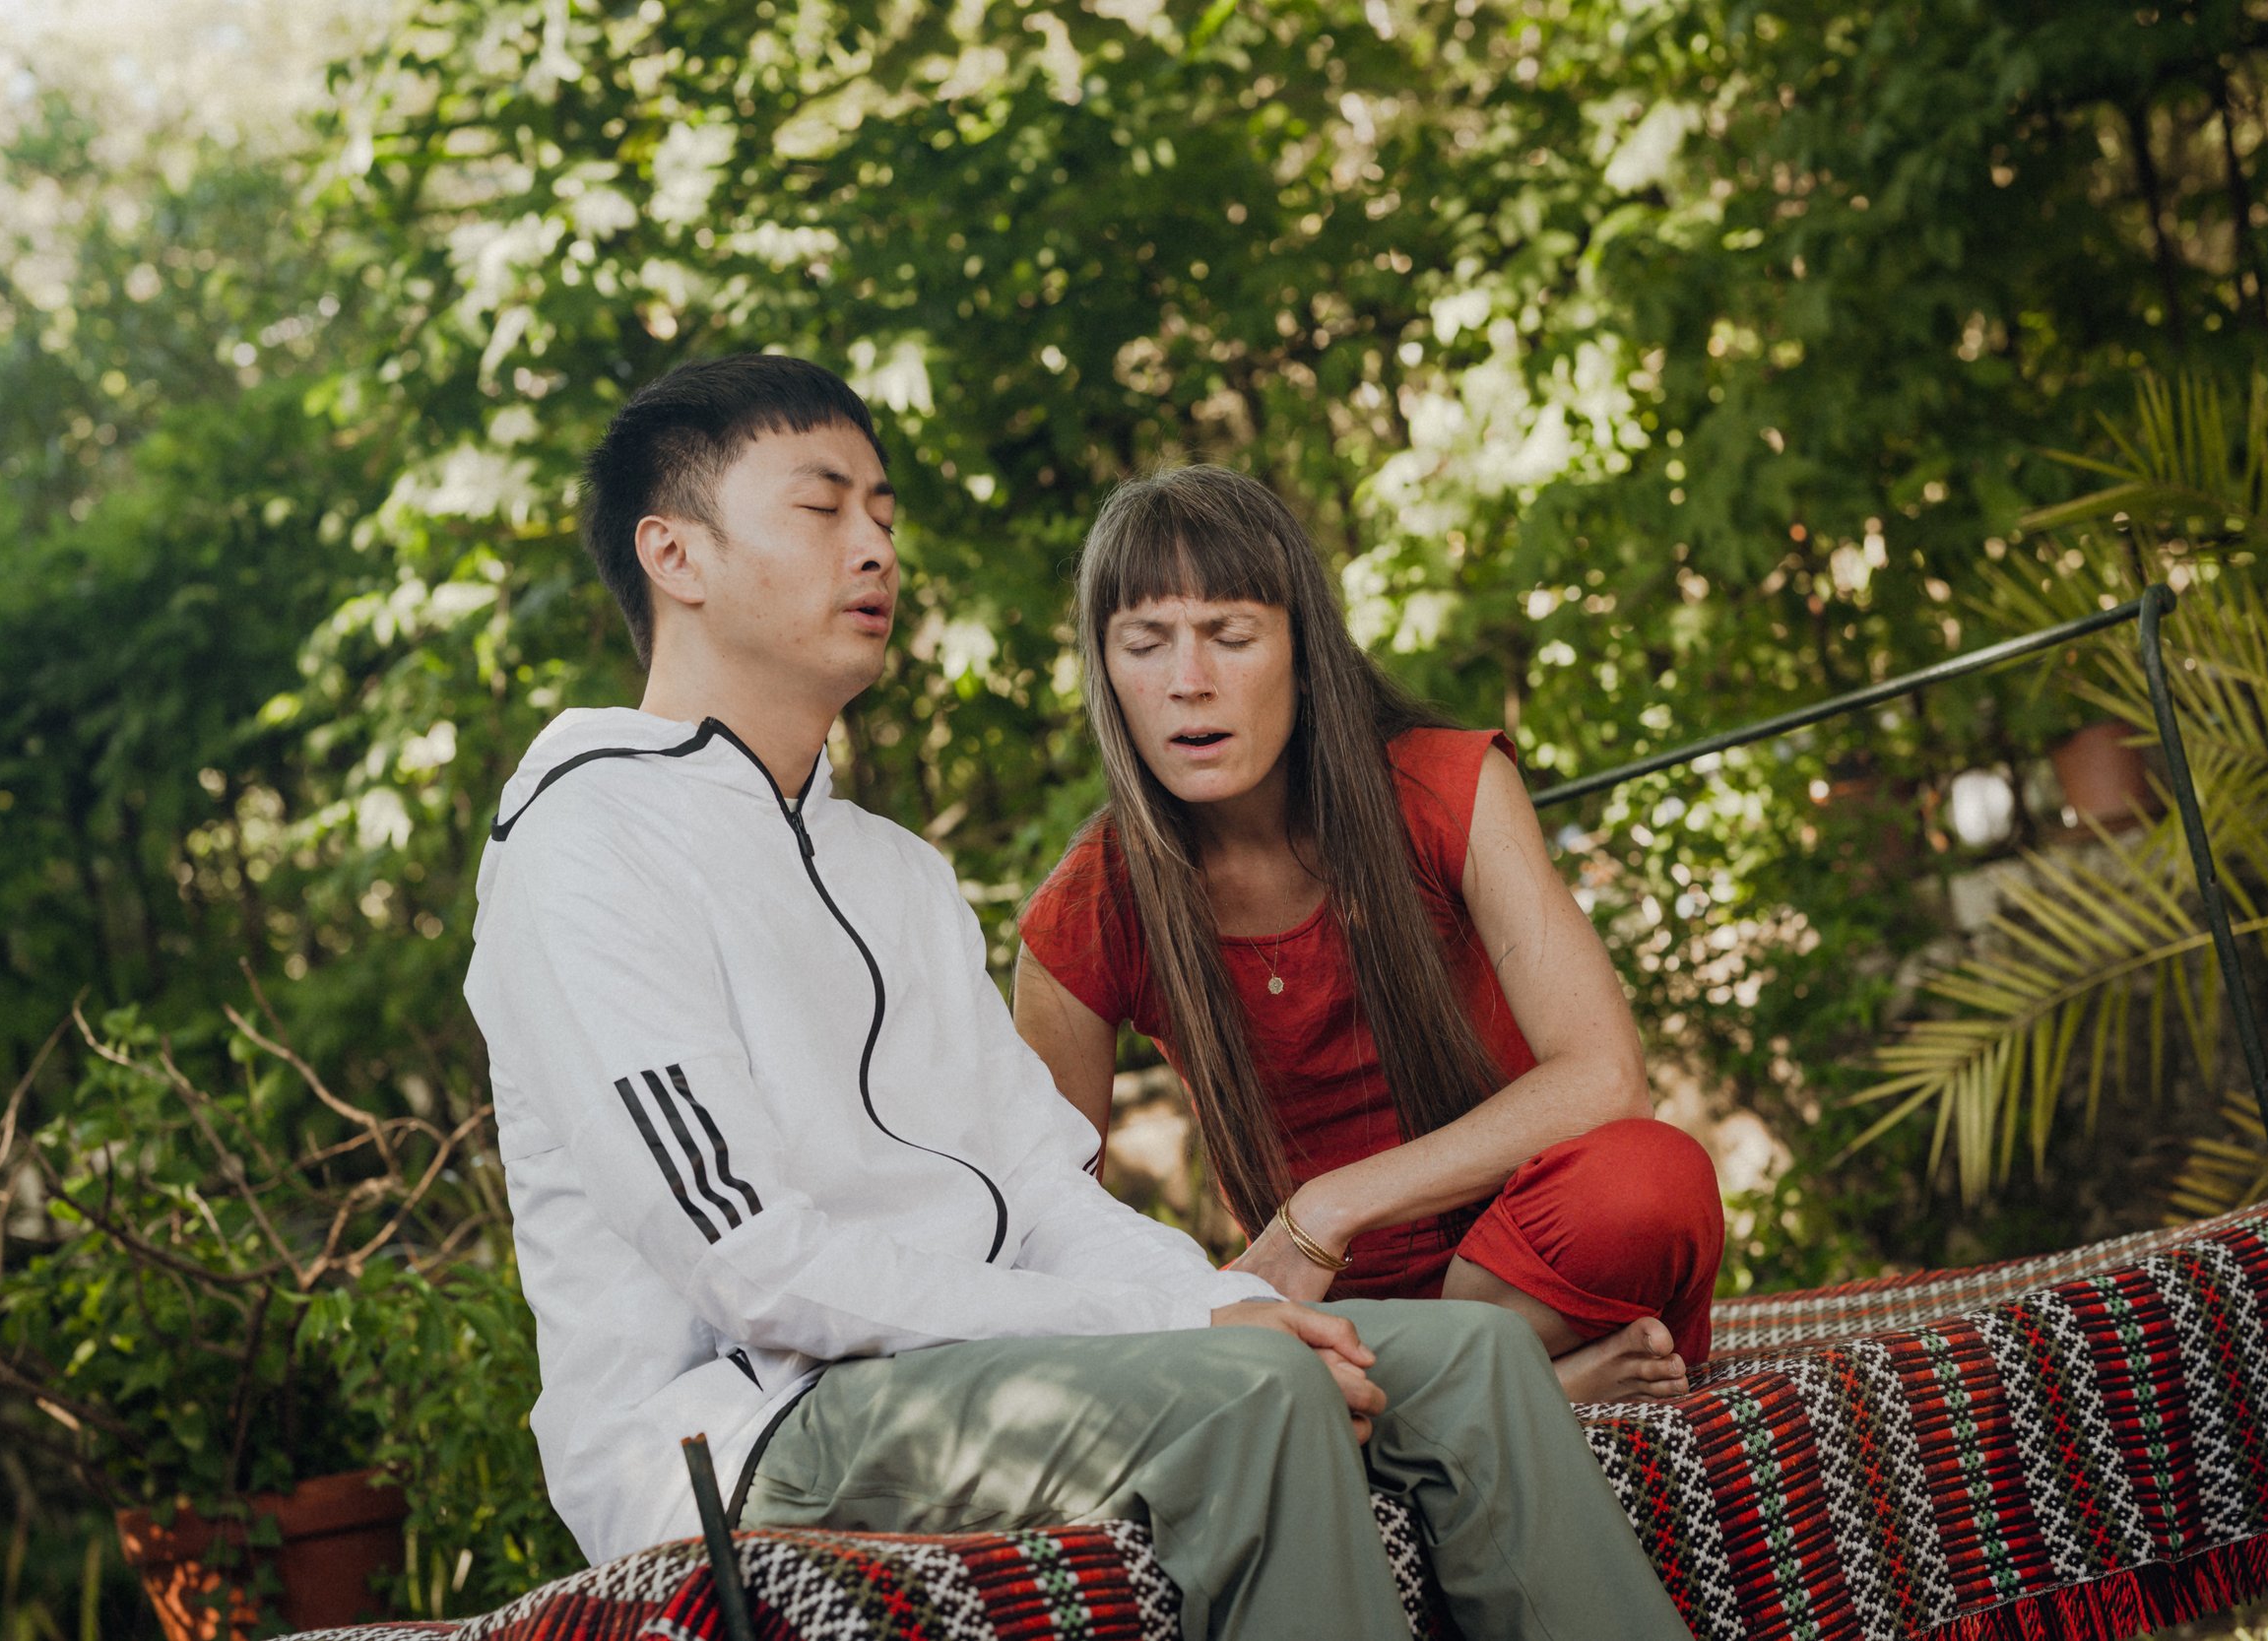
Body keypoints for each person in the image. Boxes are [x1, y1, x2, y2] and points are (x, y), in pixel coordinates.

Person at [463, 354, 1696, 1641]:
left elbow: (1042, 1189)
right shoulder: (585, 842)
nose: (874, 547)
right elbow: (748, 1263)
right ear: (674, 555)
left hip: (971, 1362)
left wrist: (1224, 1301)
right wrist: (1179, 1326)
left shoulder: (895, 872)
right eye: (822, 507)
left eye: (883, 512)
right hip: (742, 1426)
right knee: (1254, 1390)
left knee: (1474, 1359)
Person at [1015, 465, 1724, 1405]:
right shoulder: (1085, 911)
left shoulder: (1445, 786)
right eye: (1145, 645)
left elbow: (1604, 1078)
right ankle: (1517, 1387)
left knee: (1651, 1183)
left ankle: (1439, 1382)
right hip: (1314, 1318)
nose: (1189, 683)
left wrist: (1325, 1211)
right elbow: (1047, 1216)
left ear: (1304, 652)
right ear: (1106, 673)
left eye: (1232, 637)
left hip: (1520, 1272)